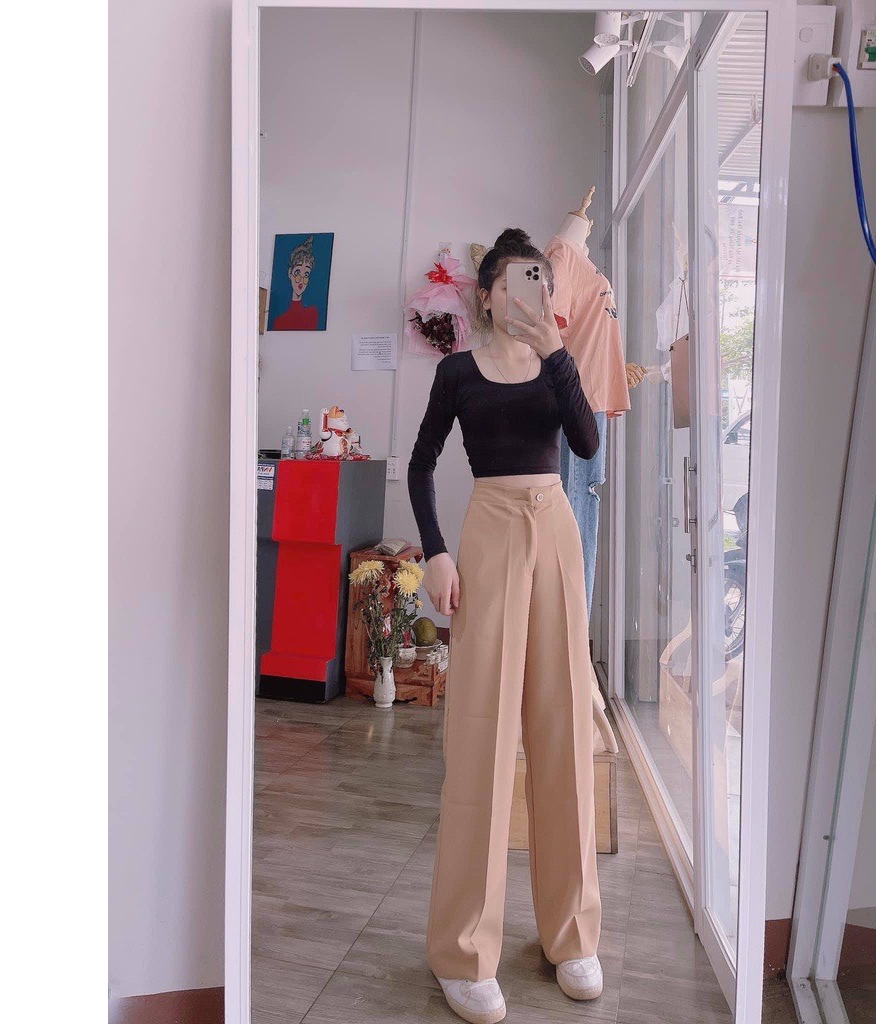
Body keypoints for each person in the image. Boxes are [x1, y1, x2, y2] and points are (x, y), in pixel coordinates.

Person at [408, 228, 604, 1024]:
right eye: (517, 280)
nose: (531, 291)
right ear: (486, 293)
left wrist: (557, 352)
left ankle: (572, 935)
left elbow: (586, 443)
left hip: (554, 528)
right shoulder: (456, 372)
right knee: (480, 737)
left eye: (540, 279)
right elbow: (421, 464)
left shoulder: (557, 361)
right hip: (488, 529)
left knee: (563, 732)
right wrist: (436, 553)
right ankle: (463, 951)